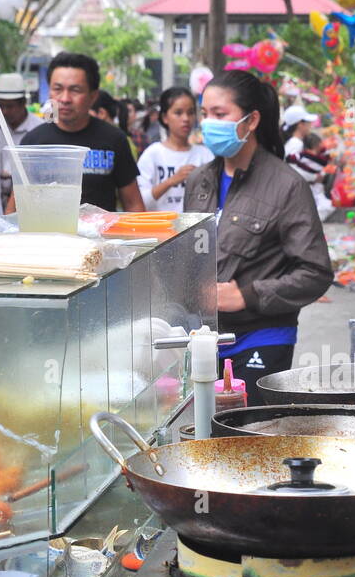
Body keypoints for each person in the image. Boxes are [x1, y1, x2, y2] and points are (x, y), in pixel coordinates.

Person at [183, 71, 333, 403]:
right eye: (205, 114)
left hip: (261, 336)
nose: (208, 124)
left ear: (251, 121)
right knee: (202, 439)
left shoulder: (287, 185)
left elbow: (316, 272)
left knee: (248, 438)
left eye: (220, 115)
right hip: (204, 337)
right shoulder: (199, 182)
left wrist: (249, 295)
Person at [15, 52, 144, 213]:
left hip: (100, 237)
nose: (65, 98)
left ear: (93, 96)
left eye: (75, 90)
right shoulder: (33, 142)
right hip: (46, 236)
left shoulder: (114, 139)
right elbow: (15, 208)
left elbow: (133, 205)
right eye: (57, 89)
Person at [136, 86, 213, 212]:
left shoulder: (205, 155)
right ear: (165, 117)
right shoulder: (153, 154)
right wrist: (171, 181)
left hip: (197, 229)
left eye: (191, 112)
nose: (186, 119)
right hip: (159, 228)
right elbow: (140, 202)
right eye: (178, 113)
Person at [0, 72, 44, 206]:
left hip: (28, 201)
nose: (4, 111)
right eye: (1, 106)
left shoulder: (39, 129)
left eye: (10, 106)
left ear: (23, 103)